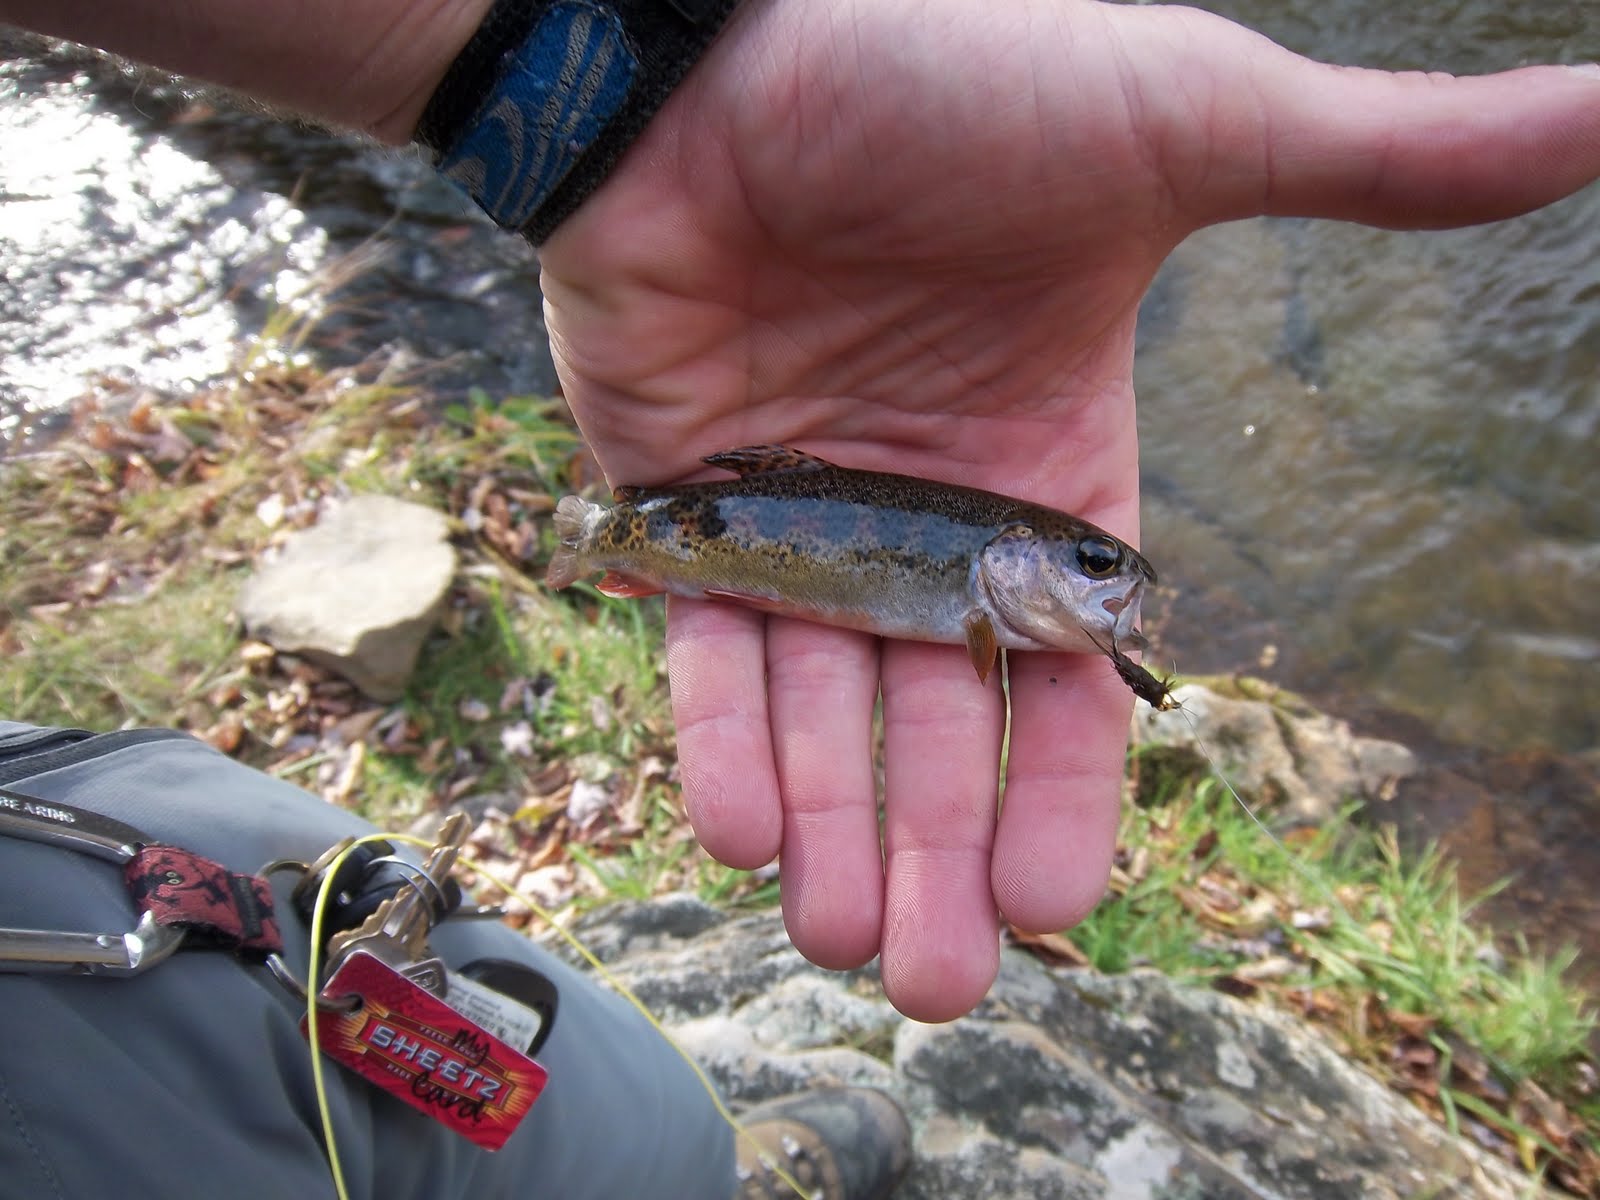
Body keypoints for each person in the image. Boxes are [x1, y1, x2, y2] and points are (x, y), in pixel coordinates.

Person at [0, 1, 1596, 1197]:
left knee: (604, 1137)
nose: (1114, 591)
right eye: (1096, 568)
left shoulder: (993, 595)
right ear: (1023, 569)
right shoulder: (978, 585)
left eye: (1109, 574)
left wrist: (613, 66)